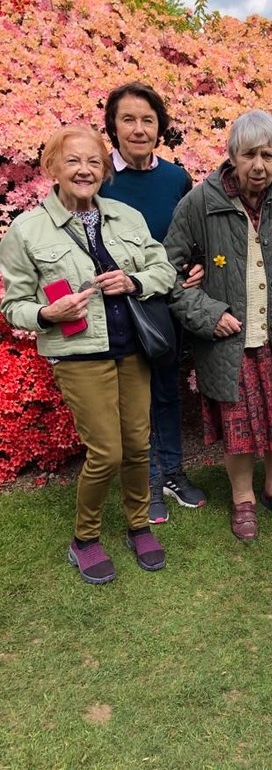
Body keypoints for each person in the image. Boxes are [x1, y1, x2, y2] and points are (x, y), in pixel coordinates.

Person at [0, 125, 176, 584]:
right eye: (73, 161)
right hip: (80, 356)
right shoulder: (27, 230)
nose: (84, 170)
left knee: (138, 446)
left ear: (105, 171)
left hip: (132, 350)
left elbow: (163, 269)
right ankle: (86, 539)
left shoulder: (125, 217)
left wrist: (134, 281)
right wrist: (46, 311)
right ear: (52, 167)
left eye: (94, 162)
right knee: (107, 452)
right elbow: (12, 305)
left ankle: (138, 526)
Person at [163, 109, 272, 542]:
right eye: (248, 154)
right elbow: (166, 273)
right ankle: (243, 499)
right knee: (239, 427)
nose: (259, 166)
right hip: (229, 340)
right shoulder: (200, 202)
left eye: (268, 155)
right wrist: (209, 315)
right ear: (231, 155)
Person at [100, 82, 206, 524]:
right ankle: (144, 478)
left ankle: (172, 473)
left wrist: (198, 264)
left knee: (165, 389)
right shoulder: (98, 173)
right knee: (131, 396)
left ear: (160, 126)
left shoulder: (175, 177)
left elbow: (188, 233)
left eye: (148, 120)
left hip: (163, 301)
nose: (139, 129)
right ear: (113, 126)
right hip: (116, 303)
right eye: (129, 119)